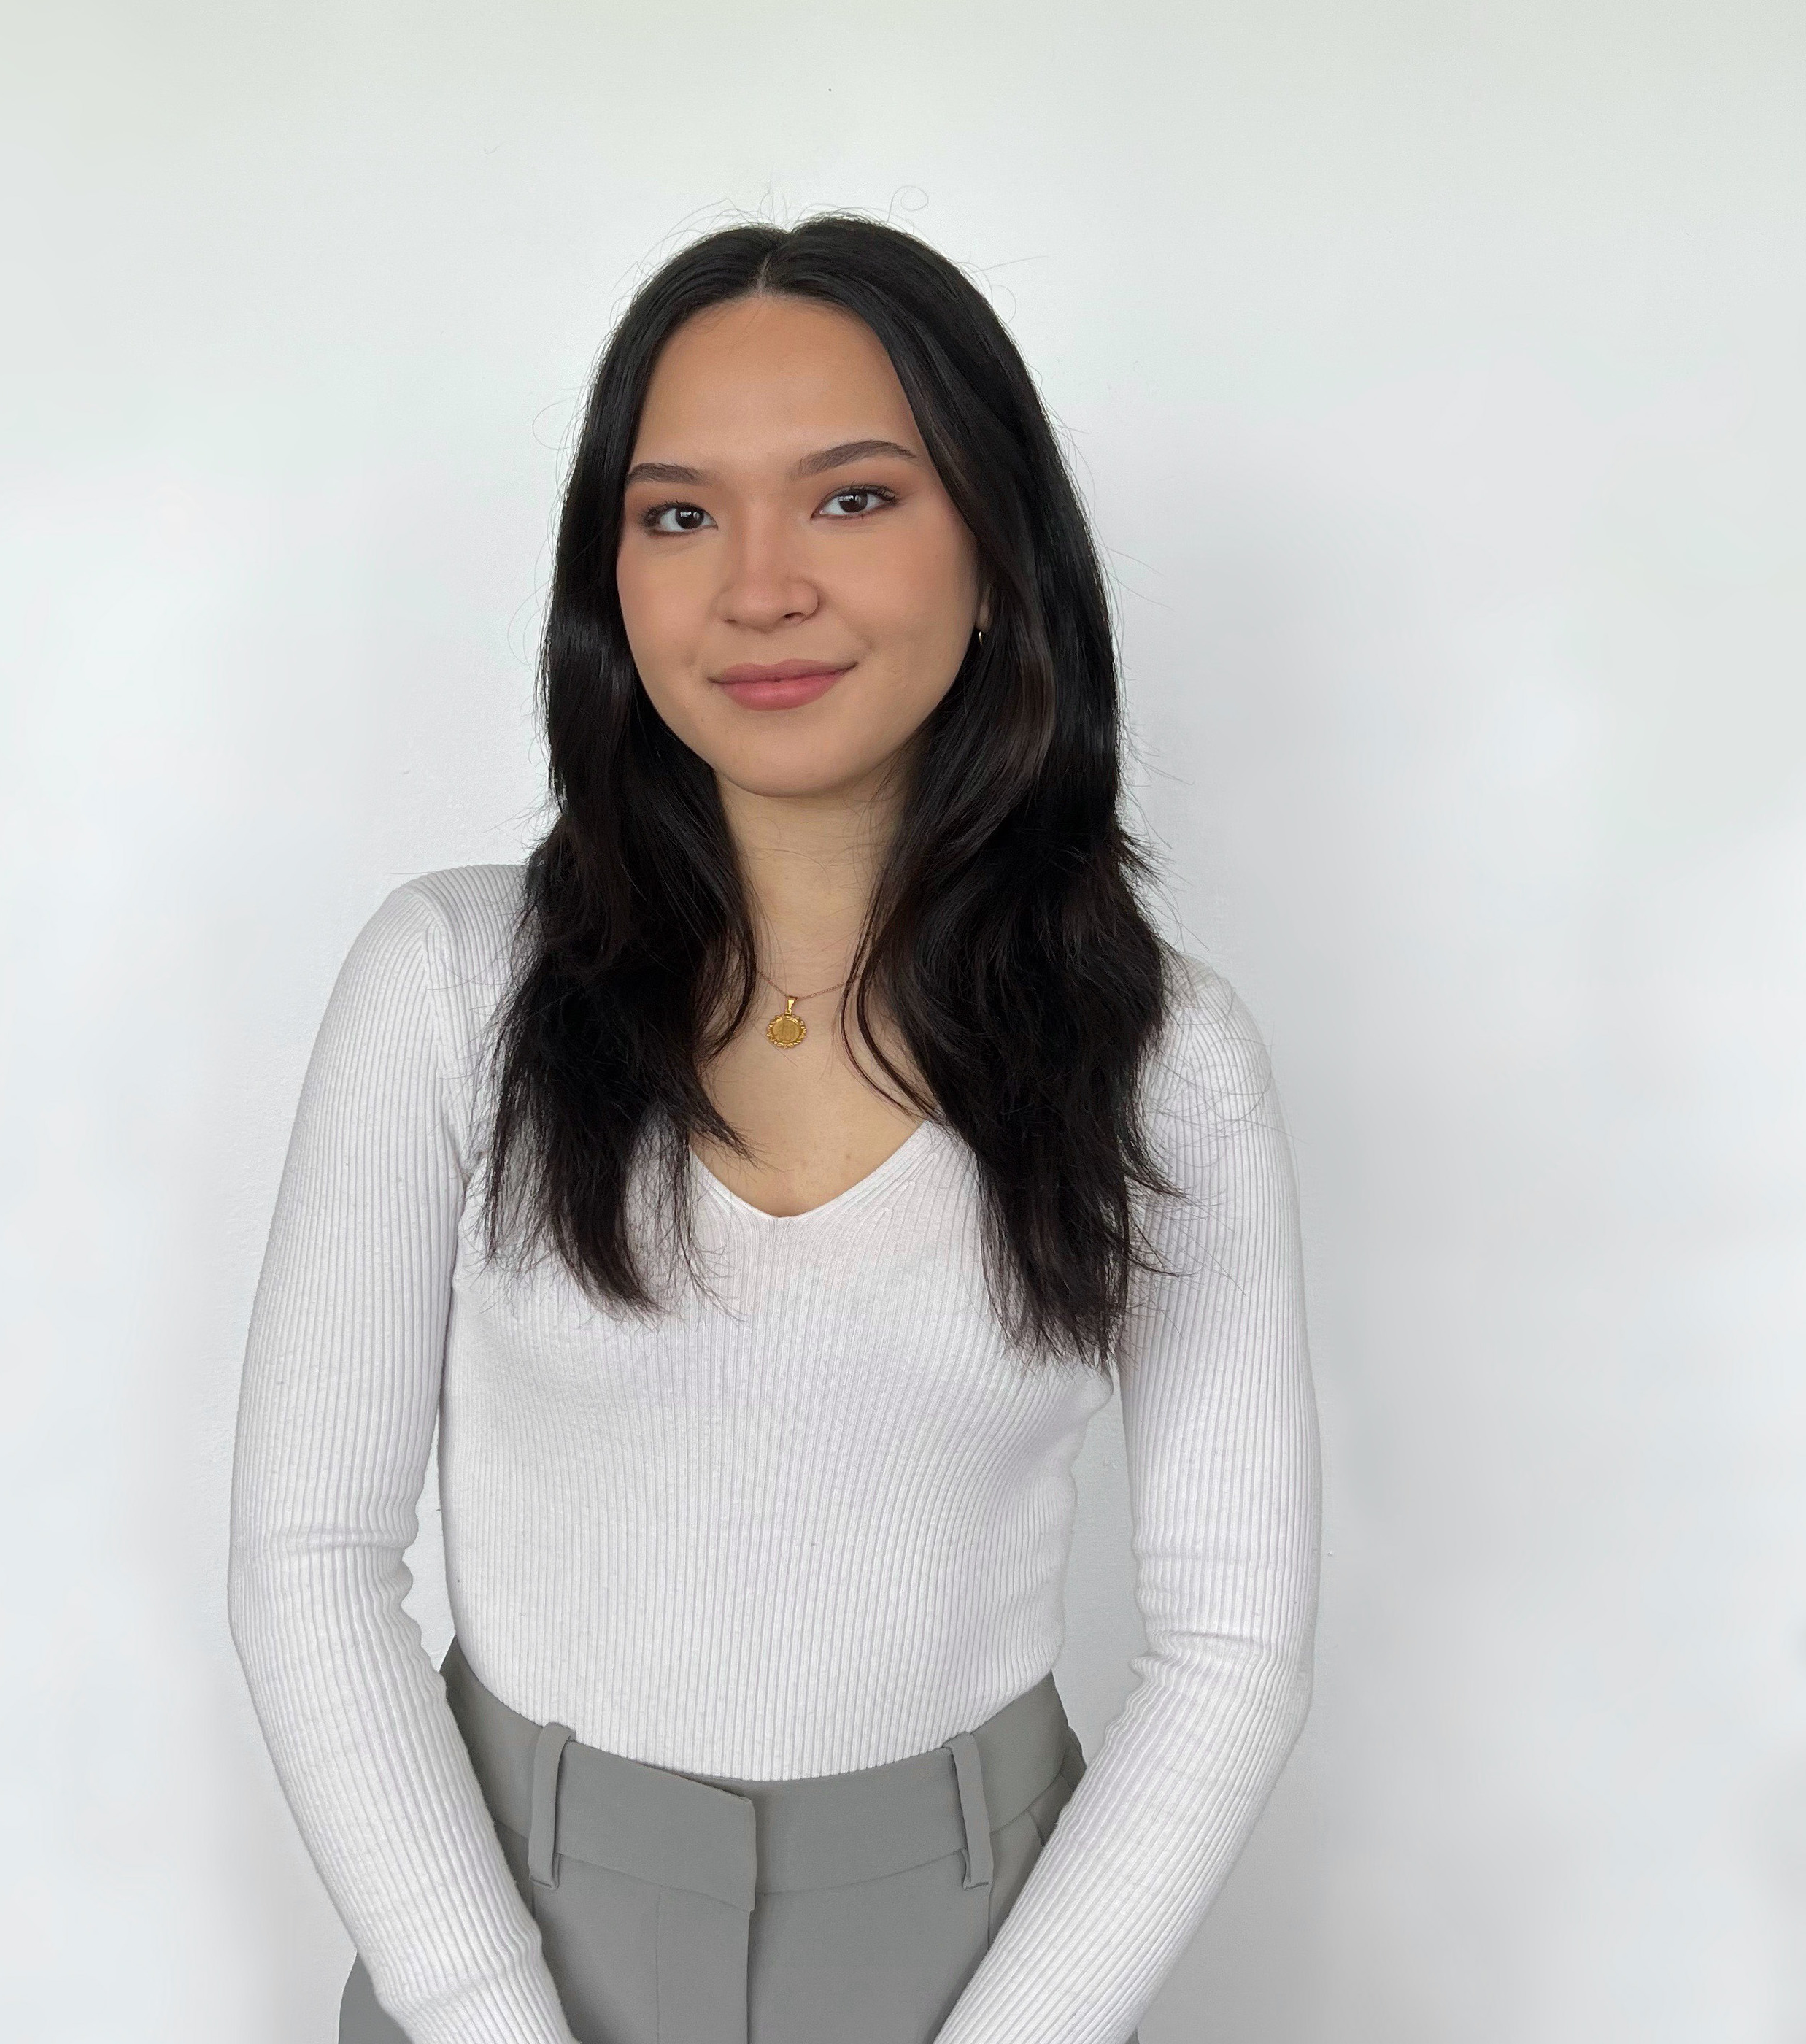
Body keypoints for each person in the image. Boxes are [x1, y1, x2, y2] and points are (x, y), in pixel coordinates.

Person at [228, 212, 1321, 2044]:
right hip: (506, 1938)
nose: (756, 587)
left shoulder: (1160, 1055)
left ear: (996, 550)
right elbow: (307, 1563)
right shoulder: (450, 986)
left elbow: (1233, 1638)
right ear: (611, 581)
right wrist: (487, 2014)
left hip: (985, 1962)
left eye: (850, 499)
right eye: (676, 515)